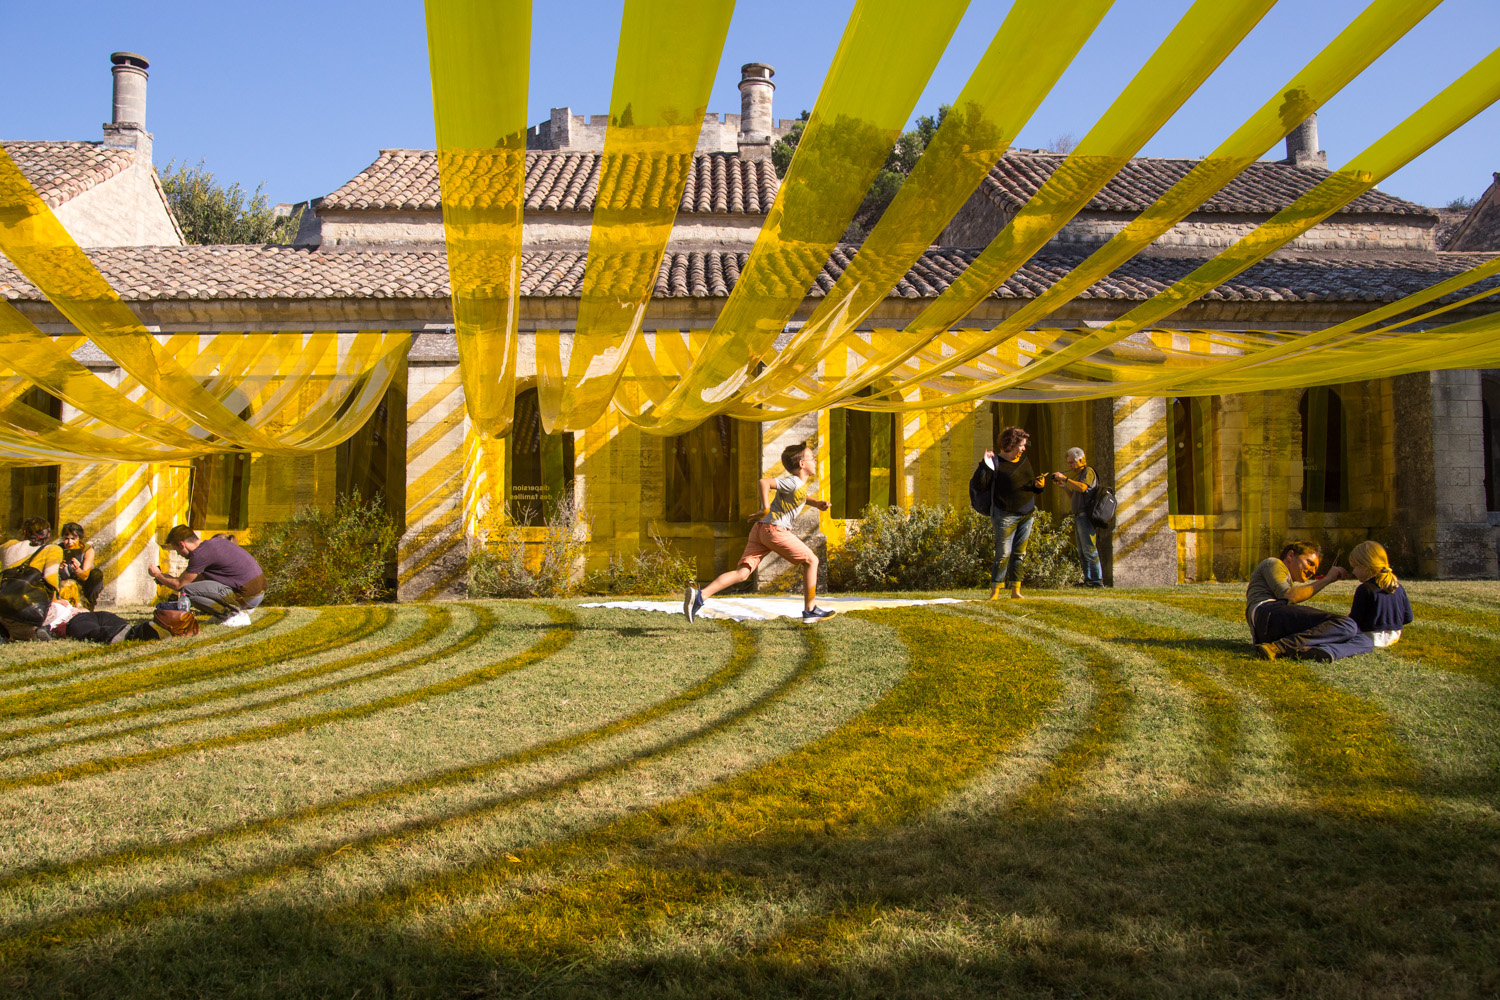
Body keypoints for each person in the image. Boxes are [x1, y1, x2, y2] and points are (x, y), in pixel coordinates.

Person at [683, 442, 834, 624]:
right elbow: (764, 482)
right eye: (812, 458)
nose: (815, 461)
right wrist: (765, 507)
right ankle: (810, 611)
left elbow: (801, 496)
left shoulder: (798, 485)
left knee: (742, 573)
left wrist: (816, 503)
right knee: (812, 561)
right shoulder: (793, 482)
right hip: (775, 530)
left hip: (761, 530)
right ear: (802, 464)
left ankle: (700, 596)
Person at [1245, 541, 1372, 661]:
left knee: (1363, 639)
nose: (1313, 571)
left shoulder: (1287, 580)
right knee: (1347, 624)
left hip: (1273, 629)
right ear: (1290, 555)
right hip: (1267, 614)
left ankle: (1320, 651)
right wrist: (1328, 579)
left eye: (1316, 568)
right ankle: (1280, 646)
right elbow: (1288, 595)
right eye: (1310, 563)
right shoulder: (1273, 563)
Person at [971, 426, 1048, 600]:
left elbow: (1030, 486)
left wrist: (1039, 486)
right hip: (1005, 515)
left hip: (1027, 513)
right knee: (1003, 553)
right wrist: (985, 464)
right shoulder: (995, 462)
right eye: (1021, 445)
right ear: (1011, 444)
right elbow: (979, 484)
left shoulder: (1024, 460)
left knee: (1019, 554)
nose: (1024, 448)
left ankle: (1016, 591)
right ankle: (995, 592)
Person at [148, 525, 266, 626]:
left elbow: (180, 585)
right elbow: (195, 581)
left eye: (177, 550)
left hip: (247, 597)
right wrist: (164, 577)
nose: (179, 554)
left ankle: (231, 615)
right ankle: (222, 614)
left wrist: (157, 575)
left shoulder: (200, 554)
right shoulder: (214, 544)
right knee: (191, 588)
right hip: (257, 593)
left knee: (187, 591)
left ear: (182, 544)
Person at [0, 517, 64, 640]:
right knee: (65, 608)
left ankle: (5, 632)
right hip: (31, 615)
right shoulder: (52, 549)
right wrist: (56, 600)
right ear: (48, 534)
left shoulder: (6, 546)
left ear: (23, 531)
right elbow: (51, 579)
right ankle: (45, 628)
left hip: (4, 612)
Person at [1050, 446, 1103, 588]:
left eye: (1072, 462)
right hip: (1079, 516)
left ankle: (1097, 582)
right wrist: (1064, 487)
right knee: (1082, 552)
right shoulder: (1079, 476)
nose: (1070, 466)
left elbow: (1083, 488)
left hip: (1085, 516)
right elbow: (1075, 495)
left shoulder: (1088, 471)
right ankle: (1089, 580)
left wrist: (1065, 478)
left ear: (1081, 460)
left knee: (1089, 550)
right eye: (1069, 463)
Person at [1347, 540, 1413, 647]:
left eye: (1355, 567)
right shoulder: (1398, 587)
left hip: (1370, 637)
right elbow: (1408, 617)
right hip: (1395, 636)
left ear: (1366, 566)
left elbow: (1354, 621)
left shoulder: (1365, 589)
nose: (1353, 571)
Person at [57, 521, 104, 610]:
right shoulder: (57, 549)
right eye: (66, 539)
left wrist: (77, 569)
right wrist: (57, 569)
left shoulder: (87, 550)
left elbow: (84, 576)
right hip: (63, 583)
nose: (69, 542)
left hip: (81, 583)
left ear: (79, 538)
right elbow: (50, 574)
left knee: (96, 574)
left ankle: (90, 605)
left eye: (73, 539)